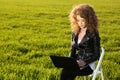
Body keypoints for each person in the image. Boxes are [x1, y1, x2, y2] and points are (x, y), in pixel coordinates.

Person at [60, 4, 100, 80]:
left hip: (88, 64)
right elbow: (73, 50)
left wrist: (85, 62)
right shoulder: (75, 32)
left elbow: (96, 54)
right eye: (78, 20)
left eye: (83, 20)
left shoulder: (93, 33)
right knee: (65, 72)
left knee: (68, 73)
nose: (80, 23)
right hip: (76, 62)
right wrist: (69, 62)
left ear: (89, 19)